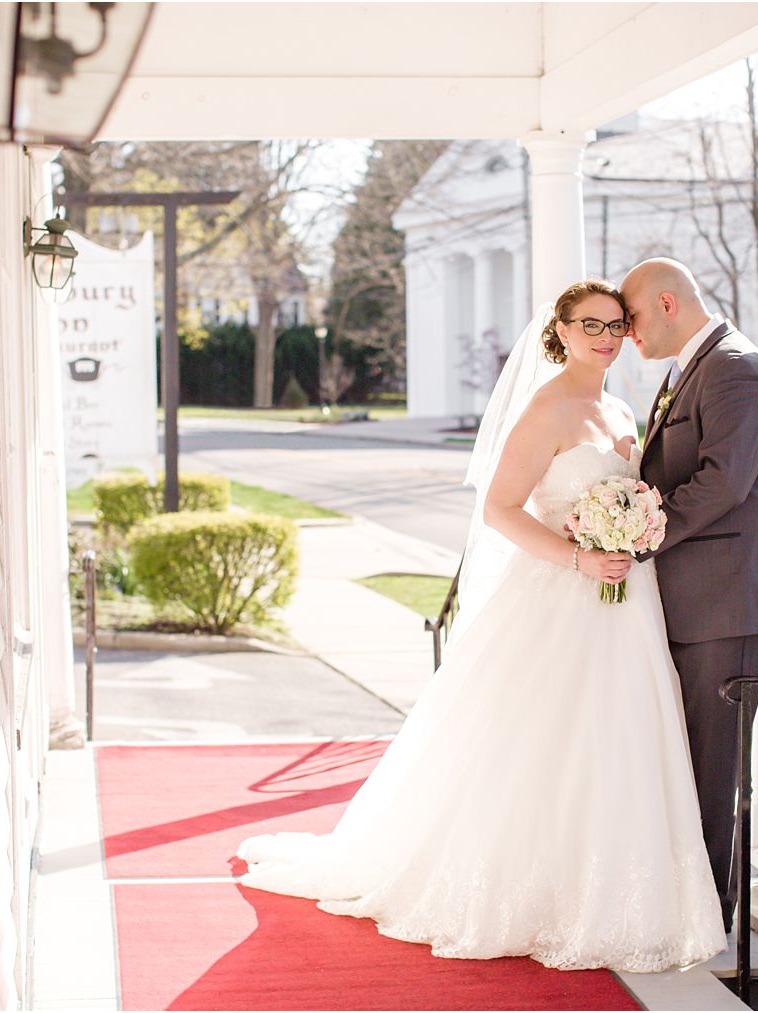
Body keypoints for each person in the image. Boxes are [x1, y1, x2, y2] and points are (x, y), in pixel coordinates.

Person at [238, 280, 727, 972]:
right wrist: (581, 557)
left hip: (627, 603)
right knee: (546, 744)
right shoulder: (548, 406)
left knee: (619, 742)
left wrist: (629, 531)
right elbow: (501, 508)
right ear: (559, 328)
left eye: (616, 323)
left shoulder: (618, 404)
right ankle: (537, 895)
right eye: (590, 323)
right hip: (564, 592)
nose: (606, 335)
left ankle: (614, 896)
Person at [620, 258, 758, 936]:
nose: (627, 333)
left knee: (713, 766)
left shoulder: (737, 367)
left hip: (730, 602)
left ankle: (708, 923)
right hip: (694, 600)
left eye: (632, 318)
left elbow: (723, 482)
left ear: (668, 303)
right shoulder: (687, 371)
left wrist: (636, 532)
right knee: (685, 759)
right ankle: (682, 906)